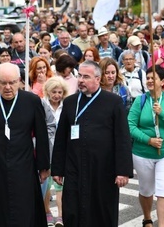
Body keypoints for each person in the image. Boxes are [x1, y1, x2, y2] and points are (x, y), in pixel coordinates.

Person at [51, 60, 133, 226]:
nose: (81, 80)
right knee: (73, 210)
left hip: (103, 168)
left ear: (97, 78)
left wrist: (123, 171)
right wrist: (57, 169)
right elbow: (61, 138)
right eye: (79, 75)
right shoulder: (70, 102)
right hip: (74, 166)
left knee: (101, 211)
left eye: (86, 76)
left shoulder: (113, 102)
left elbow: (122, 137)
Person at [0, 63, 50, 227]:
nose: (8, 87)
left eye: (12, 82)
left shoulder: (32, 101)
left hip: (23, 165)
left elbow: (41, 135)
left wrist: (43, 166)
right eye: (3, 83)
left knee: (24, 210)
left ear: (19, 81)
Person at [128, 65, 164, 227]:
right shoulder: (140, 101)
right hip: (142, 152)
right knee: (146, 190)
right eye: (148, 78)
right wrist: (148, 140)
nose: (150, 80)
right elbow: (130, 125)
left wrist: (163, 113)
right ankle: (147, 218)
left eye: (154, 78)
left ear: (162, 81)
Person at [42, 77, 69, 227]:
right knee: (46, 182)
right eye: (54, 92)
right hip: (47, 148)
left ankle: (61, 215)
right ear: (48, 91)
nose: (57, 95)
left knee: (61, 183)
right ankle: (47, 211)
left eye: (60, 92)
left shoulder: (66, 105)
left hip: (62, 148)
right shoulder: (41, 104)